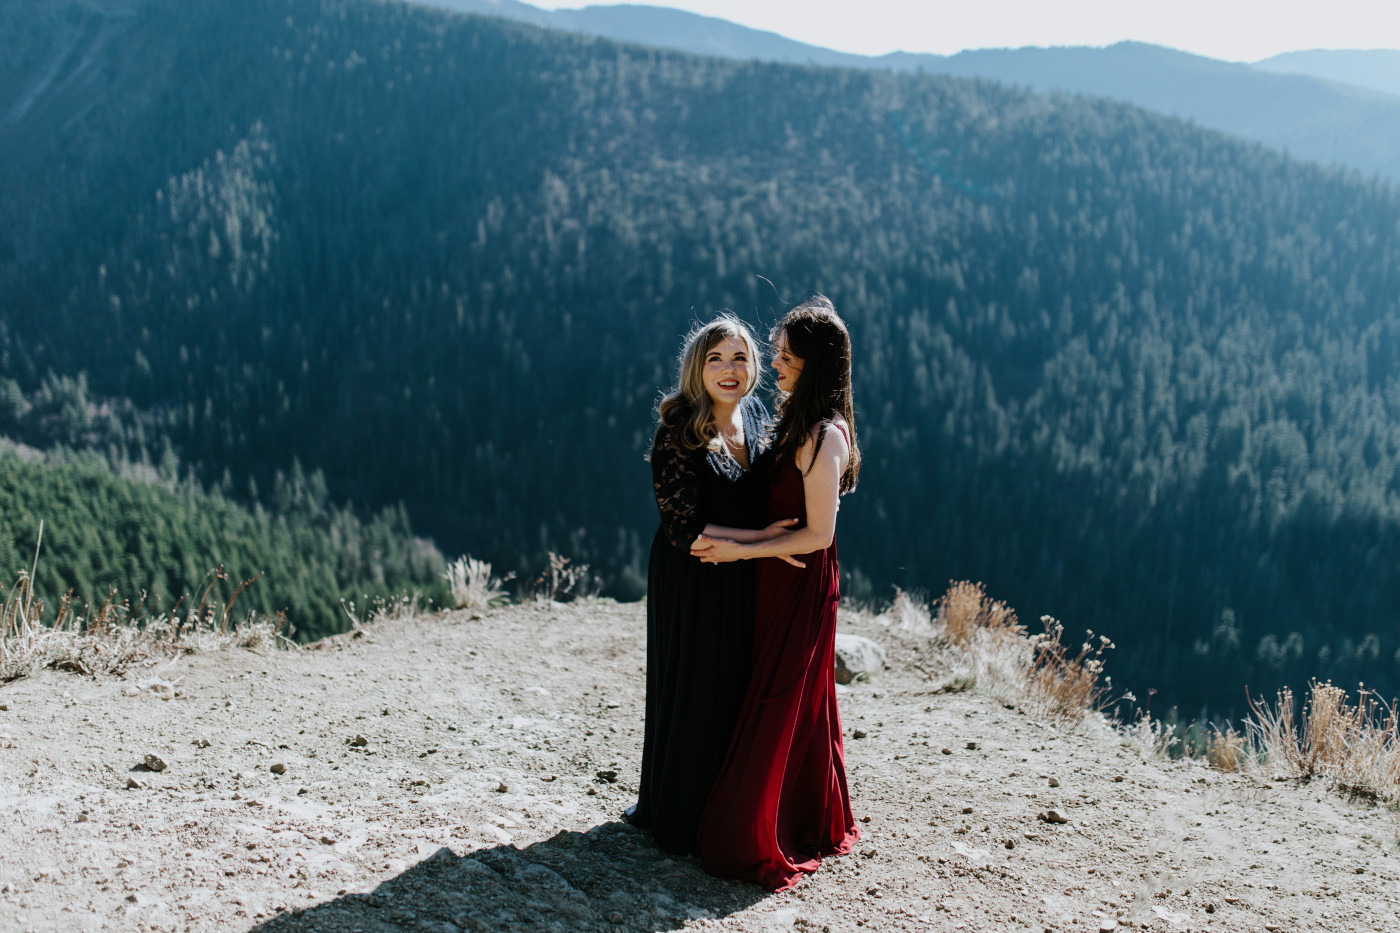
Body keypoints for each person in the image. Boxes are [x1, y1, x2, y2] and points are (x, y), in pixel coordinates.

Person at [692, 295, 862, 892]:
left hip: (798, 579)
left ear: (813, 362)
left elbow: (818, 534)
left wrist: (741, 549)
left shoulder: (826, 435)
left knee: (783, 695)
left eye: (786, 355)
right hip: (772, 572)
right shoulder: (794, 417)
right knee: (776, 690)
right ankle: (803, 811)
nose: (776, 361)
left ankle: (769, 823)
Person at [630, 314, 798, 855]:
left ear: (754, 367)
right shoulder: (678, 429)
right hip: (693, 575)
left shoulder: (756, 424)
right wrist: (760, 537)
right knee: (695, 685)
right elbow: (683, 527)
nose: (729, 369)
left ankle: (726, 805)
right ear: (696, 368)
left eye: (741, 357)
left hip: (741, 573)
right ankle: (680, 812)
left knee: (733, 686)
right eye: (716, 359)